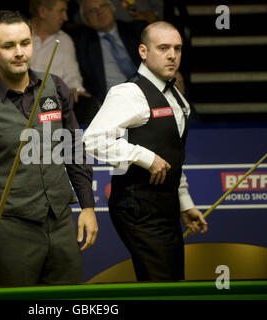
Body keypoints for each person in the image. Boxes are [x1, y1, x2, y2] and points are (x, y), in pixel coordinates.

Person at [0, 10, 98, 286]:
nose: (19, 53)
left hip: (62, 223)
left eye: (25, 43)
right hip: (10, 229)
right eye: (9, 46)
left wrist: (87, 206)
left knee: (68, 304)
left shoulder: (55, 87)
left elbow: (74, 148)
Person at [83, 21, 207, 281]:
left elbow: (173, 153)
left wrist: (184, 203)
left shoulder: (177, 97)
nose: (172, 55)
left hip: (166, 206)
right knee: (162, 286)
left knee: (171, 283)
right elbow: (92, 139)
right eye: (163, 48)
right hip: (136, 206)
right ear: (143, 51)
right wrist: (144, 156)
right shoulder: (129, 93)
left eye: (177, 48)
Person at [69, 0, 146, 102]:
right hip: (110, 102)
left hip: (146, 92)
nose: (99, 11)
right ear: (86, 19)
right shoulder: (80, 43)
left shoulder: (136, 30)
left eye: (103, 5)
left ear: (112, 9)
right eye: (92, 10)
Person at [29, 0, 89, 104]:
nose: (65, 18)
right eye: (61, 11)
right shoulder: (15, 35)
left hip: (53, 106)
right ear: (42, 12)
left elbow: (73, 78)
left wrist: (75, 90)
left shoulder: (65, 40)